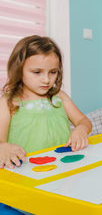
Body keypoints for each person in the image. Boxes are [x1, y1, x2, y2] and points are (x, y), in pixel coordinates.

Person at [0, 35, 92, 214]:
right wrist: (3, 147)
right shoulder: (9, 102)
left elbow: (84, 121)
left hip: (62, 175)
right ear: (19, 70)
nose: (46, 80)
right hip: (25, 179)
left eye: (53, 72)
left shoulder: (60, 98)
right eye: (37, 72)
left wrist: (81, 129)